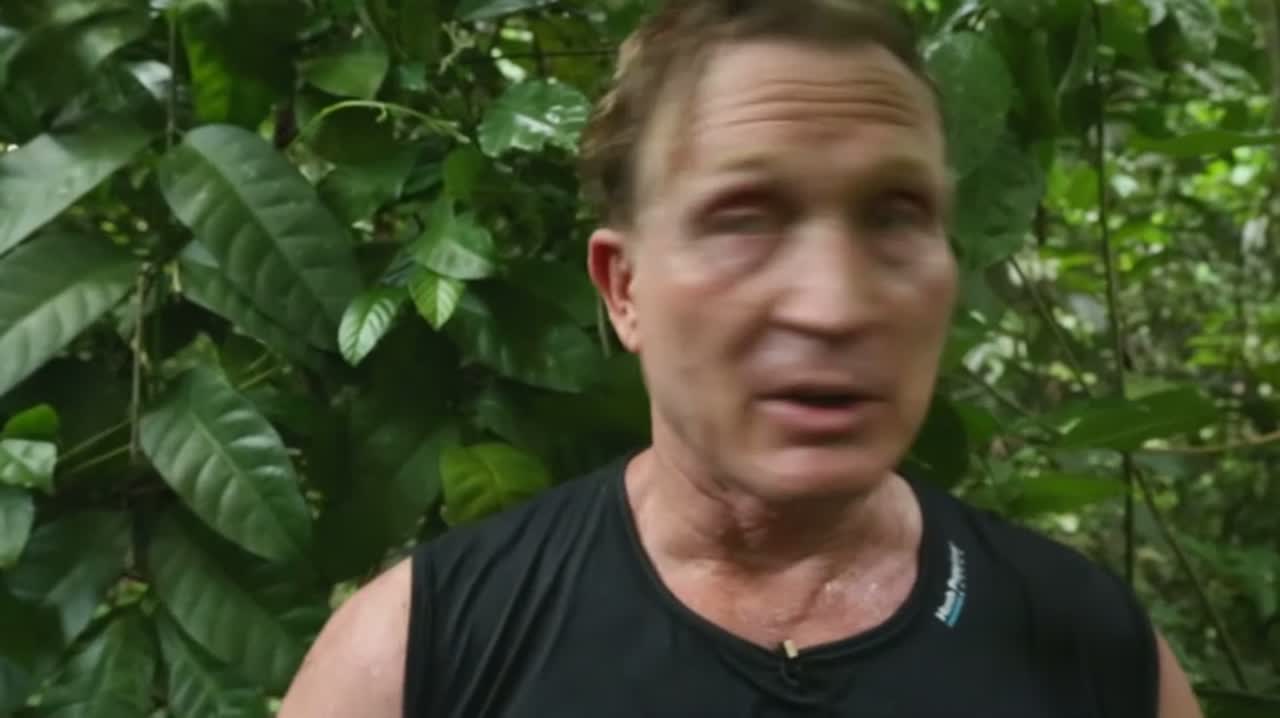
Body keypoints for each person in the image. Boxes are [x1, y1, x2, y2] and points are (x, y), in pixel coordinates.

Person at [279, 1, 1204, 715]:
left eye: (894, 216)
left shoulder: (1094, 652)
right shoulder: (417, 655)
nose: (834, 305)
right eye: (744, 220)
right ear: (624, 289)